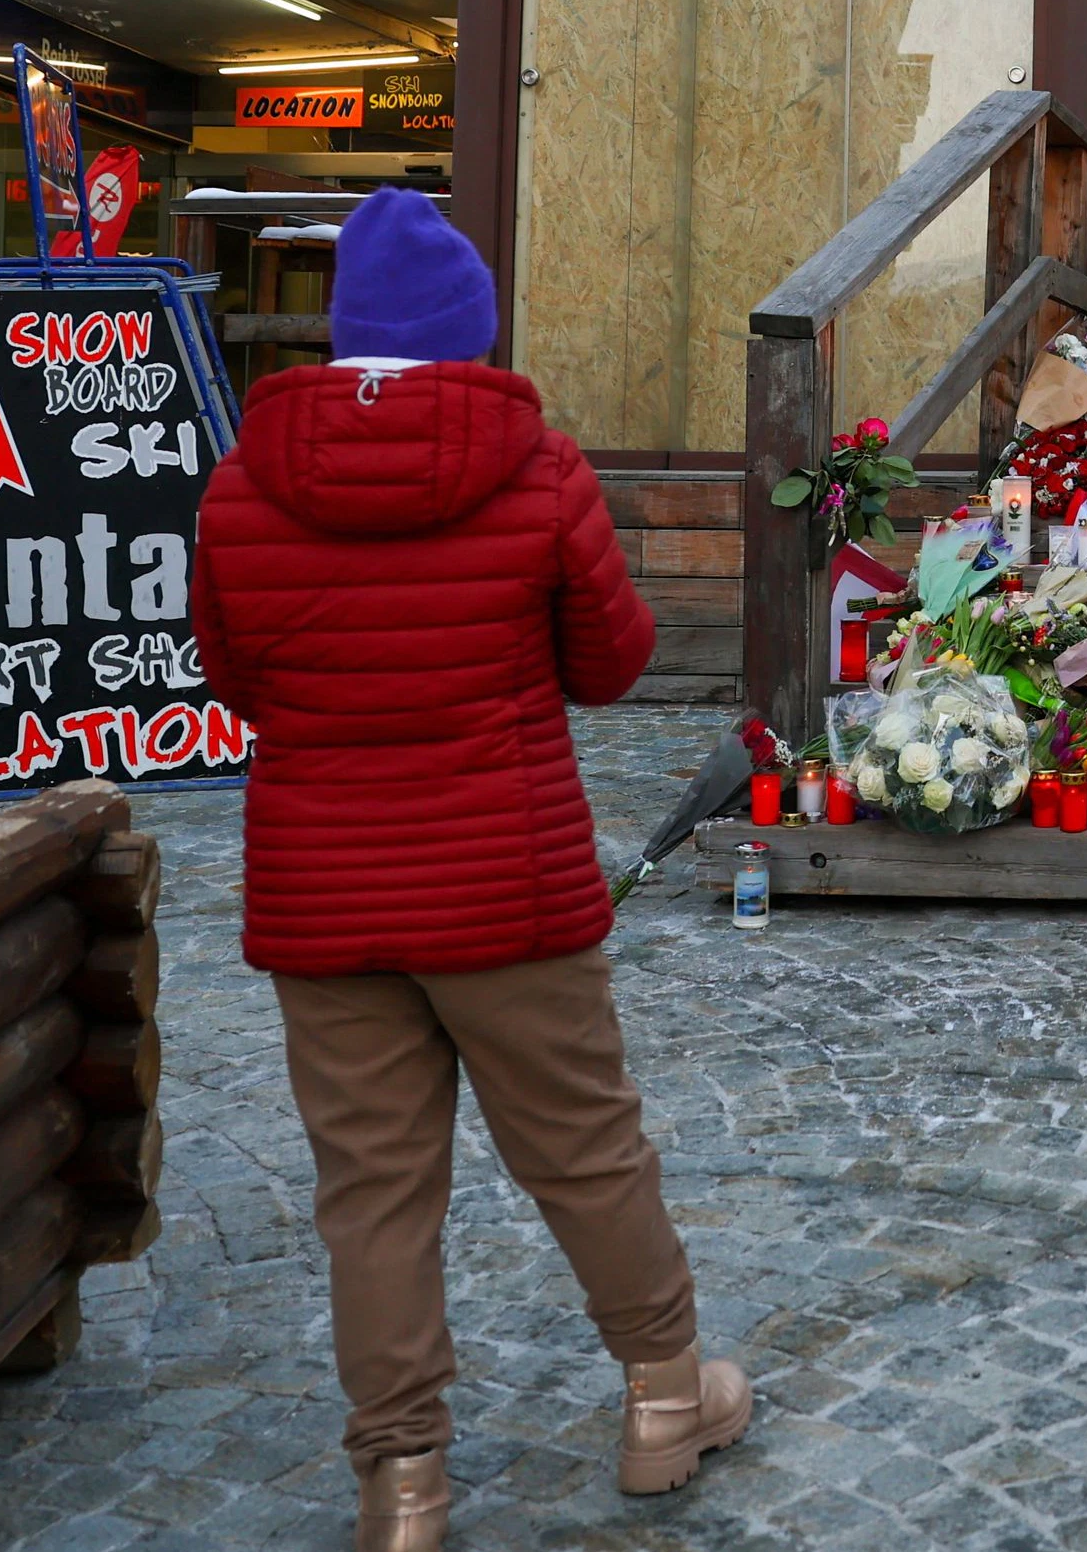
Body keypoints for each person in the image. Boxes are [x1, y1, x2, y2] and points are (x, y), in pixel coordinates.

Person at [192, 188, 753, 1552]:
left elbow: (230, 677)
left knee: (372, 1194)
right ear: (469, 336)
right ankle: (667, 1398)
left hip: (325, 893)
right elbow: (613, 663)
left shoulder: (241, 483)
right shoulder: (540, 468)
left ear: (344, 339)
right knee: (585, 1150)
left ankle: (404, 1482)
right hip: (509, 886)